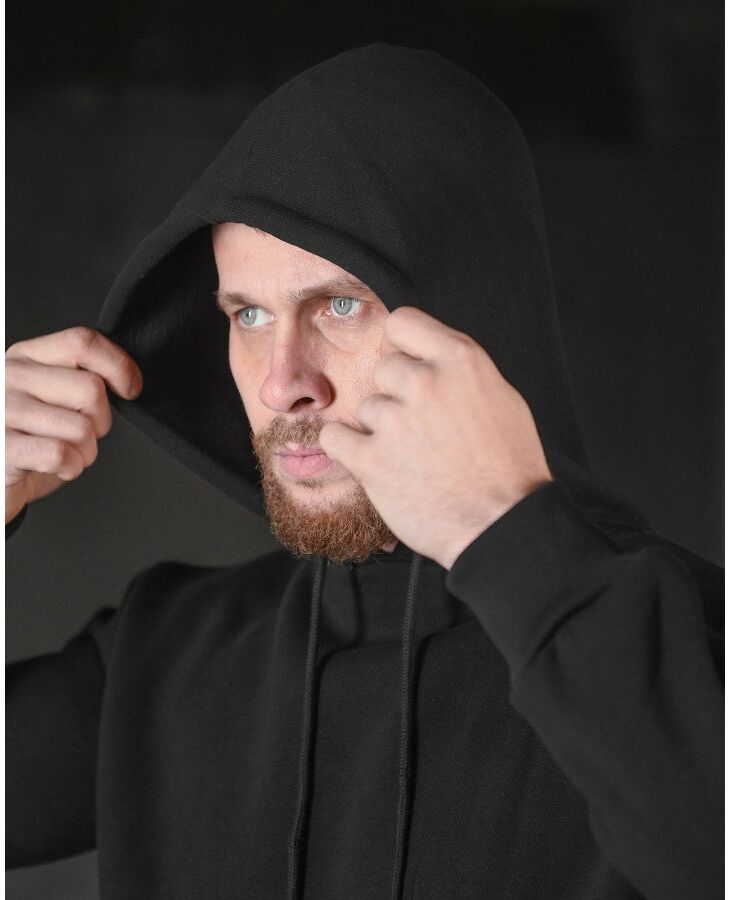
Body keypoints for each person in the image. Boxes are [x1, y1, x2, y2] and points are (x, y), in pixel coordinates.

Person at [5, 43, 723, 899]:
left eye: (340, 305)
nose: (282, 383)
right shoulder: (164, 656)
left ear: (473, 316)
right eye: (248, 315)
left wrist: (507, 531)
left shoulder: (690, 638)